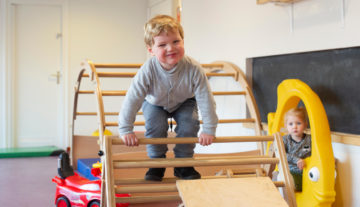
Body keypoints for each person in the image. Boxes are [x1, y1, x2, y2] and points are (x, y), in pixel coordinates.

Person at [118, 15, 218, 182]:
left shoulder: (194, 69)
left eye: (176, 42)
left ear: (183, 41)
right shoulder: (148, 70)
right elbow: (133, 98)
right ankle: (157, 163)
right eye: (162, 45)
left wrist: (209, 128)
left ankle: (183, 164)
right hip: (154, 102)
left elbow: (206, 99)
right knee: (155, 126)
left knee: (190, 124)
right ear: (151, 50)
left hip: (185, 101)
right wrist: (125, 128)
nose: (171, 48)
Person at [283, 107, 311, 191]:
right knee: (293, 184)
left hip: (307, 171)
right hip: (291, 172)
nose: (294, 127)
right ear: (286, 126)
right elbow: (283, 154)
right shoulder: (285, 139)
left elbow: (316, 153)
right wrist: (297, 160)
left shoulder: (310, 139)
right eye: (290, 124)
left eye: (298, 123)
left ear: (305, 124)